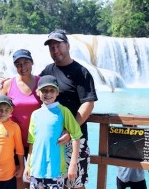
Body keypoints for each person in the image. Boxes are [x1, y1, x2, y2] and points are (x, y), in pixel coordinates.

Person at [40, 30, 98, 189]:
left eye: (58, 45)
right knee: (56, 183)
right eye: (51, 47)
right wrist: (9, 85)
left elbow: (88, 104)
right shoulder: (47, 71)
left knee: (76, 184)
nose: (55, 50)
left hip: (76, 138)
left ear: (67, 45)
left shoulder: (81, 72)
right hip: (53, 139)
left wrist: (69, 130)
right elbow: (34, 90)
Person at [24, 75, 82, 189]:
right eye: (44, 90)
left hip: (55, 171)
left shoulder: (63, 111)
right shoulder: (35, 114)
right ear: (38, 92)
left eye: (52, 90)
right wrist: (28, 166)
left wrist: (73, 164)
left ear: (57, 93)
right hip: (36, 170)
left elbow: (76, 136)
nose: (48, 93)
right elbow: (32, 143)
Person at [1, 49, 42, 188]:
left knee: (36, 177)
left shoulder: (41, 83)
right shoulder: (8, 84)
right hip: (13, 141)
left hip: (36, 140)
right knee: (17, 176)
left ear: (32, 63)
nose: (22, 67)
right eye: (18, 64)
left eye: (26, 62)